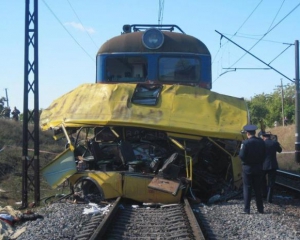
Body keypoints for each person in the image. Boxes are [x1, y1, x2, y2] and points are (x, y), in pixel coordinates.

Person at [239, 124, 265, 214]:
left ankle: (247, 209)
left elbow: (241, 156)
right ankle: (260, 209)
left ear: (247, 133)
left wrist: (247, 161)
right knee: (258, 188)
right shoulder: (261, 142)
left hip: (247, 168)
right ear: (255, 132)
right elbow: (264, 154)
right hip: (258, 167)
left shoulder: (245, 143)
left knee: (247, 188)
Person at [262, 133, 282, 203]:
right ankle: (269, 198)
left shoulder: (261, 144)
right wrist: (276, 142)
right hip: (273, 165)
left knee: (262, 180)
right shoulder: (274, 143)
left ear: (263, 137)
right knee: (271, 182)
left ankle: (264, 194)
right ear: (270, 137)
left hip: (263, 165)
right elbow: (280, 150)